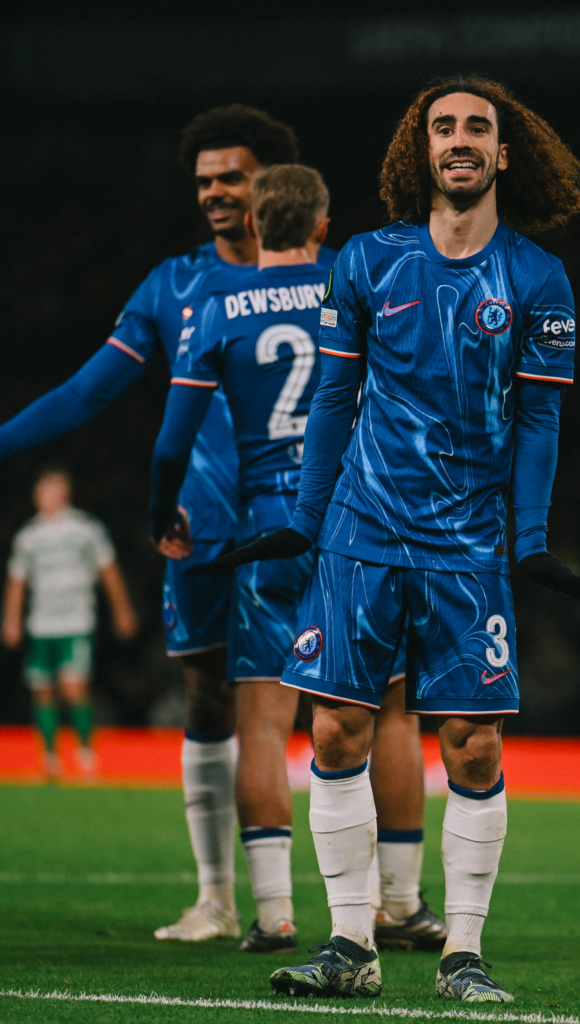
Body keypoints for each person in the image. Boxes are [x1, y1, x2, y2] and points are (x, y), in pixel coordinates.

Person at [0, 103, 440, 951]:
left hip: (280, 520)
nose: (212, 194)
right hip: (207, 532)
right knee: (218, 700)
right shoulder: (175, 284)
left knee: (336, 706)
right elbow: (87, 393)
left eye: (229, 178)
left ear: (268, 180)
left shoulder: (339, 273)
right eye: (201, 182)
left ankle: (350, 902)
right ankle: (219, 898)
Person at [214, 75, 580, 1002]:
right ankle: (349, 945)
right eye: (444, 127)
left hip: (469, 541)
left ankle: (461, 953)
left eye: (478, 127)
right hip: (363, 529)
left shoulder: (537, 278)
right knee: (338, 727)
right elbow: (334, 398)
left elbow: (541, 425)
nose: (460, 139)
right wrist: (308, 518)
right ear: (420, 149)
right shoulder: (367, 260)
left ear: (503, 154)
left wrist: (528, 539)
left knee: (473, 744)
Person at [151, 164, 446, 953]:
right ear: (322, 226)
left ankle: (274, 914)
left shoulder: (216, 305)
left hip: (268, 525)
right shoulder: (363, 285)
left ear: (253, 221)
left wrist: (160, 512)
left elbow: (174, 438)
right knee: (384, 710)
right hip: (361, 520)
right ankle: (400, 902)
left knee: (262, 718)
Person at [1, 467, 138, 776]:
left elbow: (108, 570)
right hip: (41, 623)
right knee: (42, 689)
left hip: (75, 621)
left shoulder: (85, 529)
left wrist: (122, 610)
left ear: (65, 493)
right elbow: (17, 580)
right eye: (43, 490)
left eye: (53, 489)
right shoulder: (29, 536)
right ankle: (50, 759)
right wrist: (11, 619)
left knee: (74, 687)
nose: (47, 496)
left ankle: (85, 755)